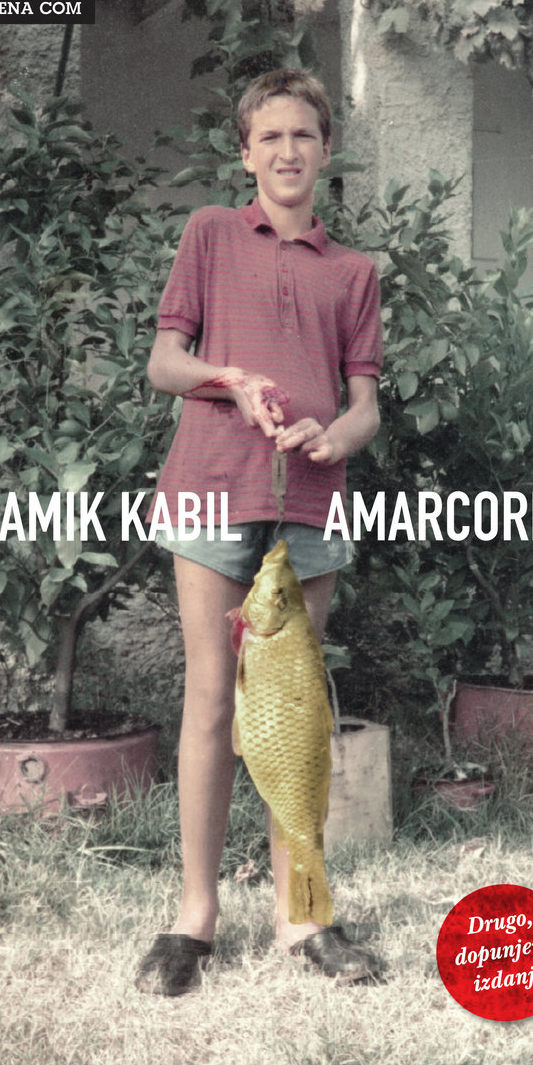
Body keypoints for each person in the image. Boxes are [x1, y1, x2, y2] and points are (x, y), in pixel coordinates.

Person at [135, 68, 384, 997]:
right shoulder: (209, 233)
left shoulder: (352, 272)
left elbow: (363, 407)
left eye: (302, 135)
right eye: (269, 136)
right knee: (212, 700)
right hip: (208, 490)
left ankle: (301, 915)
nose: (286, 151)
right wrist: (228, 380)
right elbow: (164, 362)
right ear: (245, 152)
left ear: (326, 150)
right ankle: (193, 917)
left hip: (311, 502)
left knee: (295, 712)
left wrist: (333, 436)